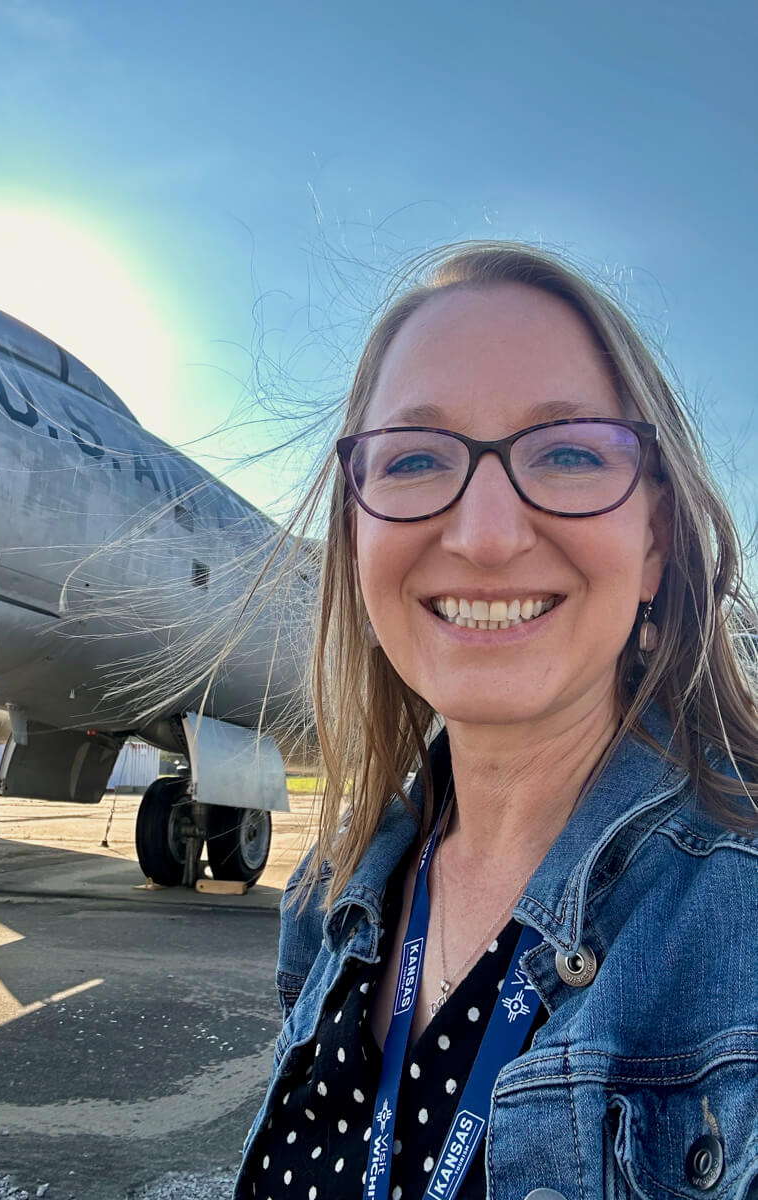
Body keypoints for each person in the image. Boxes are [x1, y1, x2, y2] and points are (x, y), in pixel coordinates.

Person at [233, 242, 758, 1200]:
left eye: (566, 453)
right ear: (355, 537)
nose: (482, 536)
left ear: (655, 543)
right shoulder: (331, 895)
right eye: (417, 459)